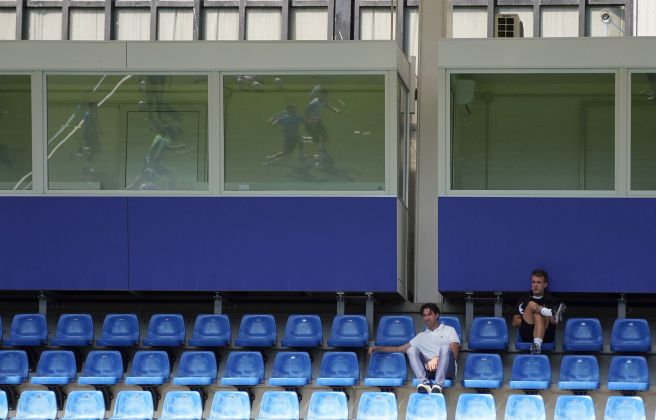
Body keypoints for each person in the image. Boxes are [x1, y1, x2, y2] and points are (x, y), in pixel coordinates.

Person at [368, 303, 459, 394]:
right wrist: (377, 348)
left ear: (437, 315)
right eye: (424, 315)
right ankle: (424, 382)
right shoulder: (421, 336)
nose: (427, 318)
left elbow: (454, 353)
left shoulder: (449, 330)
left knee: (445, 347)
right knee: (411, 349)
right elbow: (399, 349)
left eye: (430, 314)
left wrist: (437, 359)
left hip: (447, 370)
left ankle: (438, 385)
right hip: (429, 370)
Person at [512, 268, 566, 355]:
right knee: (531, 305)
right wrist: (533, 319)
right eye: (533, 282)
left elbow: (555, 323)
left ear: (545, 284)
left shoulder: (552, 300)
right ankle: (547, 312)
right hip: (527, 333)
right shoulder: (524, 299)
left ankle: (536, 346)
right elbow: (515, 322)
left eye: (539, 282)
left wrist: (538, 318)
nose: (535, 285)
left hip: (546, 335)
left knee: (538, 315)